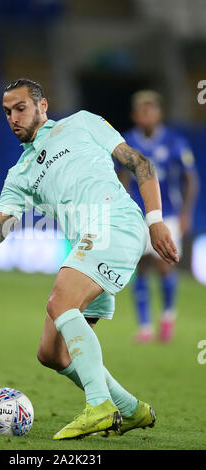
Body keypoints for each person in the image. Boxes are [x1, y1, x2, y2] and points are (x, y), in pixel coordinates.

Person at [0, 79, 179, 440]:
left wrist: (156, 220)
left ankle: (99, 406)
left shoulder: (82, 122)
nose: (12, 118)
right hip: (88, 242)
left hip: (117, 222)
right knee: (51, 353)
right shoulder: (19, 175)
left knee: (60, 301)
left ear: (43, 106)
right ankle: (132, 410)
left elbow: (139, 162)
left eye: (20, 108)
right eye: (7, 112)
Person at [118, 90, 198, 343]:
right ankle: (144, 327)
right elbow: (121, 178)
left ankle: (167, 315)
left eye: (150, 109)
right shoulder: (128, 141)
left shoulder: (175, 141)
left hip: (168, 214)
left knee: (164, 266)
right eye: (141, 110)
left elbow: (190, 179)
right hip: (137, 214)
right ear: (134, 115)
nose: (146, 115)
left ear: (159, 113)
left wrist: (186, 213)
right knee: (140, 266)